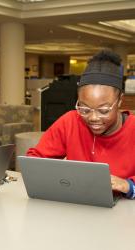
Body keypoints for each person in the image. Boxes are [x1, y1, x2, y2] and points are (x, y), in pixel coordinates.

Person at [27, 50, 135, 199]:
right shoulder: (70, 121)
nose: (93, 118)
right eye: (84, 108)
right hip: (77, 206)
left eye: (103, 110)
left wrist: (128, 186)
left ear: (120, 100)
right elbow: (34, 161)